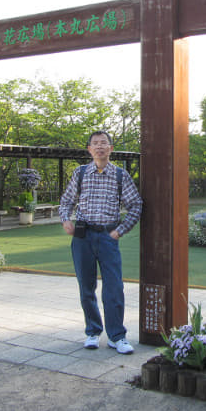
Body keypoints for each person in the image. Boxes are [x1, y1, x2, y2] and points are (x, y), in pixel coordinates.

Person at [59, 131, 143, 355]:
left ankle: (117, 336)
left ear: (111, 148)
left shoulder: (120, 175)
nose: (99, 147)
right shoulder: (80, 173)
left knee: (114, 287)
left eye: (103, 143)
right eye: (95, 144)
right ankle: (92, 332)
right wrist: (66, 220)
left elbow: (136, 204)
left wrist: (120, 231)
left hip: (108, 237)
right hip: (82, 237)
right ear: (89, 149)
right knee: (86, 286)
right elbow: (66, 201)